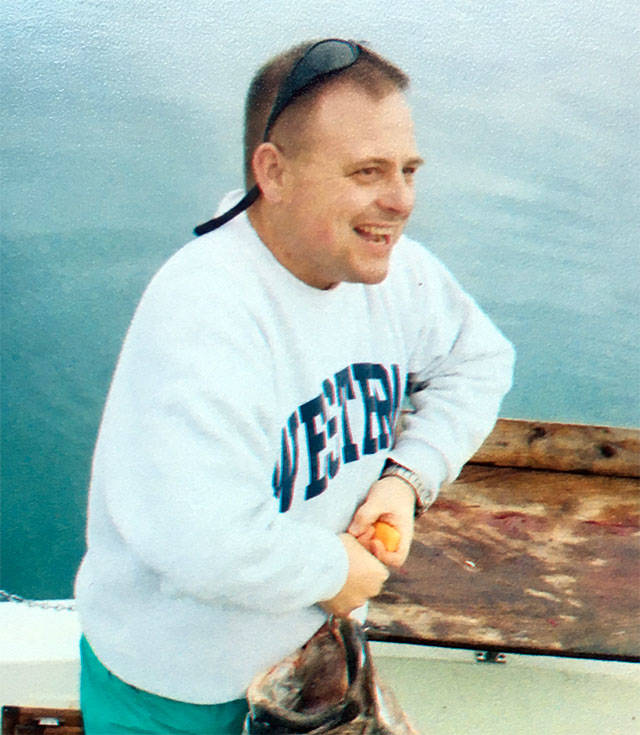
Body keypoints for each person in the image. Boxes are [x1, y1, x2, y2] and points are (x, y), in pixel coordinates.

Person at [75, 38, 515, 733]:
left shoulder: (394, 271)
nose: (400, 201)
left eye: (408, 170)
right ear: (274, 172)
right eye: (367, 171)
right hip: (178, 697)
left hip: (316, 672)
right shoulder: (205, 311)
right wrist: (335, 571)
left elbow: (480, 361)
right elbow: (198, 539)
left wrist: (405, 479)